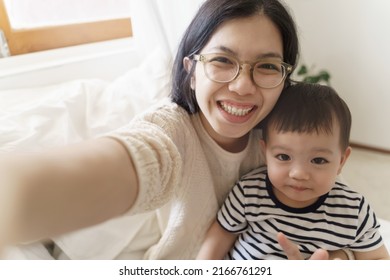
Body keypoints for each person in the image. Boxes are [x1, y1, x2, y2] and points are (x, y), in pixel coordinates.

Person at [0, 0, 345, 260]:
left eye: (266, 66)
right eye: (223, 60)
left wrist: (339, 259)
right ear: (192, 71)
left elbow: (336, 212)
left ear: (285, 78)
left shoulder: (282, 138)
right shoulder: (171, 132)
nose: (242, 86)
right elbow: (137, 157)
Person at [196, 83, 390, 260]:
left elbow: (379, 261)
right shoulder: (249, 192)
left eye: (318, 160)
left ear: (341, 161)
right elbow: (219, 238)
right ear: (265, 153)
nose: (298, 173)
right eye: (283, 157)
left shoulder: (353, 211)